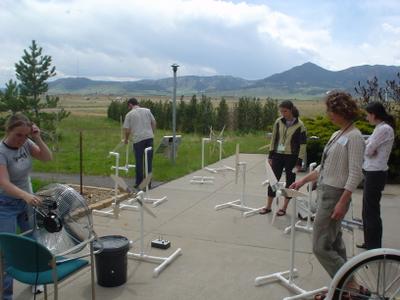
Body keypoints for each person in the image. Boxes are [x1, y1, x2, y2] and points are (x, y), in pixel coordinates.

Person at [289, 91, 365, 299]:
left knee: (320, 246)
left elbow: (355, 173)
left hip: (335, 196)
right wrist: (304, 180)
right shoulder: (337, 134)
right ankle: (349, 287)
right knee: (335, 244)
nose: (328, 115)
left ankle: (352, 289)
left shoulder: (355, 137)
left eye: (331, 111)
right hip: (325, 192)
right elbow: (325, 167)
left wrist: (343, 201)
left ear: (342, 111)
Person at [0, 113, 53, 300]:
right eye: (18, 135)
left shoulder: (27, 144)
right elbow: (4, 183)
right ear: (9, 131)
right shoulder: (1, 152)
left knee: (33, 240)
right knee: (6, 249)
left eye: (25, 135)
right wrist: (26, 196)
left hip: (26, 199)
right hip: (5, 203)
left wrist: (37, 137)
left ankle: (35, 279)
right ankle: (6, 294)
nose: (21, 140)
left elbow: (47, 157)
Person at [356, 102, 395, 250]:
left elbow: (368, 149)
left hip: (375, 172)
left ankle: (373, 246)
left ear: (374, 114)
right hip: (372, 170)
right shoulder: (379, 128)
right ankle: (369, 242)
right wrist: (369, 147)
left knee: (371, 210)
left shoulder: (384, 129)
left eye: (367, 114)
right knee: (368, 209)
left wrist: (369, 148)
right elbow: (368, 146)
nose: (366, 118)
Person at [259, 100, 307, 216]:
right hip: (278, 155)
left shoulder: (300, 125)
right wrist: (271, 155)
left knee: (290, 182)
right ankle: (268, 206)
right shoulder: (278, 122)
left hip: (292, 157)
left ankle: (284, 208)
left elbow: (303, 145)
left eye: (285, 111)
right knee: (273, 180)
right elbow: (274, 139)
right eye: (281, 111)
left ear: (291, 110)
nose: (283, 114)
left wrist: (299, 161)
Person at [123, 97, 156, 189]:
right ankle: (148, 184)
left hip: (138, 140)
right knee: (148, 161)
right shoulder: (147, 111)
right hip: (149, 138)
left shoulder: (129, 114)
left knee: (139, 162)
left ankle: (139, 183)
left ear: (130, 104)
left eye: (128, 106)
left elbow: (127, 130)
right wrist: (152, 133)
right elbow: (154, 122)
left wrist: (126, 139)